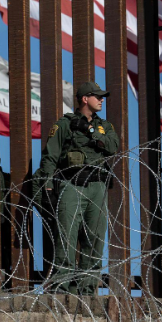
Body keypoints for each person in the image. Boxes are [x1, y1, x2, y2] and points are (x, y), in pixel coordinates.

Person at [34, 81, 120, 295]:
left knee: (95, 239)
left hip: (97, 186)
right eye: (97, 96)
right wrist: (47, 188)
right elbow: (50, 158)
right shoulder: (64, 124)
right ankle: (62, 287)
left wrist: (92, 131)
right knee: (66, 236)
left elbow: (112, 147)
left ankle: (88, 289)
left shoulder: (104, 126)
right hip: (71, 184)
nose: (101, 100)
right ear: (84, 98)